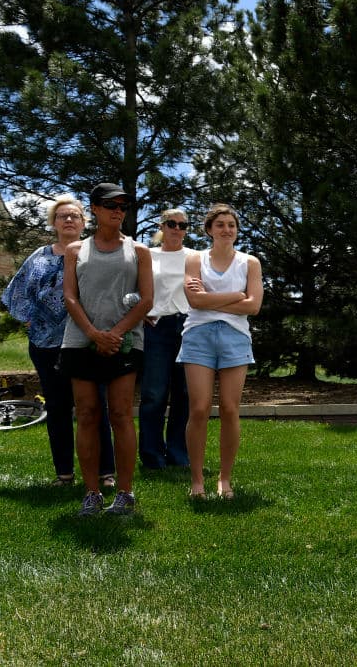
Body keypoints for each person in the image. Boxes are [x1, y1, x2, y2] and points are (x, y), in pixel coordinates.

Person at [1, 195, 116, 487]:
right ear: (53, 223)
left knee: (94, 407)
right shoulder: (38, 256)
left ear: (83, 222)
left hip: (87, 342)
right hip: (45, 345)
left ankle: (106, 473)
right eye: (62, 216)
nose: (68, 220)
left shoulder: (95, 253)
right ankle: (64, 473)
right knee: (58, 407)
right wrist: (30, 319)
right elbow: (16, 292)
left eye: (74, 216)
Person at [62, 183, 153, 516]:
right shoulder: (75, 251)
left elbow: (146, 299)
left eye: (123, 206)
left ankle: (125, 494)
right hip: (80, 341)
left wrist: (114, 334)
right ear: (95, 210)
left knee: (120, 414)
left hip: (125, 342)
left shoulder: (138, 251)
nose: (118, 210)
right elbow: (70, 297)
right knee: (86, 415)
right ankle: (92, 493)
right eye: (110, 205)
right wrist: (92, 333)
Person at [178, 203, 262, 500]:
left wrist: (212, 298)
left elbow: (253, 306)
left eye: (232, 225)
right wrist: (236, 295)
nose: (227, 229)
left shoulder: (249, 262)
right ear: (210, 229)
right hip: (198, 336)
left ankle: (225, 480)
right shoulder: (194, 259)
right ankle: (198, 480)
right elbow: (194, 302)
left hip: (235, 337)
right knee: (199, 408)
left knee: (229, 408)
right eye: (221, 224)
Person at [138, 209, 195, 469]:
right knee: (154, 393)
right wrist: (139, 314)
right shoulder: (147, 256)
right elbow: (130, 289)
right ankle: (152, 455)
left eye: (183, 225)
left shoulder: (196, 257)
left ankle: (178, 453)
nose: (177, 229)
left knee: (184, 393)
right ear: (162, 226)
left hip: (189, 326)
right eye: (171, 224)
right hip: (156, 327)